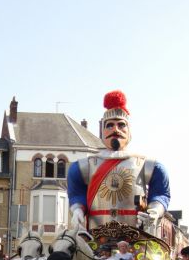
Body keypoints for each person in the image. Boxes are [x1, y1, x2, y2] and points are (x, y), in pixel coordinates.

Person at [67, 90, 170, 237]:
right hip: (96, 236)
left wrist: (155, 210)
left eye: (121, 125)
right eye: (109, 125)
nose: (115, 129)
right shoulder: (84, 166)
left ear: (129, 130)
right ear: (102, 130)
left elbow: (160, 194)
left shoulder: (148, 165)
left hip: (136, 236)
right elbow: (77, 194)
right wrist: (77, 210)